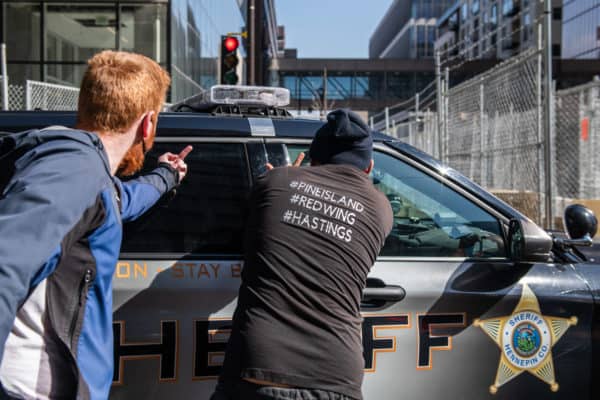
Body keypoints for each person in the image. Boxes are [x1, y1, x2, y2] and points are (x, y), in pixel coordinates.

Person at [0, 51, 191, 400]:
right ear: (148, 124)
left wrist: (166, 175)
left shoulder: (84, 171)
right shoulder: (75, 170)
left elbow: (124, 199)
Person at [213, 109, 393, 400]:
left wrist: (283, 177)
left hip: (257, 369)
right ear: (369, 167)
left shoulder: (274, 182)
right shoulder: (381, 208)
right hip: (336, 377)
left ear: (314, 158)